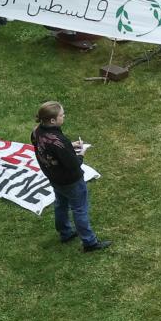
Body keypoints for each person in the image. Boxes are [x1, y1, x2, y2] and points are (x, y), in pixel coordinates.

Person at [31, 101, 105, 252]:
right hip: (71, 181)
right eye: (61, 115)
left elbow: (45, 148)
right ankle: (89, 242)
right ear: (52, 120)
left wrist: (69, 145)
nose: (63, 116)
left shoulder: (37, 131)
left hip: (54, 178)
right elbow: (73, 164)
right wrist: (81, 153)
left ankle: (65, 232)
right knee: (79, 209)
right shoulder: (59, 142)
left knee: (61, 203)